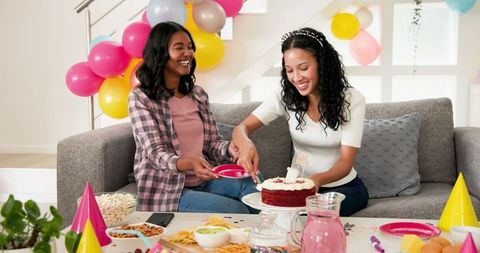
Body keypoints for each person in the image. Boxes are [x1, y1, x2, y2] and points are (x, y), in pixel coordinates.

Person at [232, 27, 369, 216]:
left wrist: (316, 180)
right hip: (297, 188)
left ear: (322, 63)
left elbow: (346, 162)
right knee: (274, 215)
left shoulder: (352, 99)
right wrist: (246, 146)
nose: (296, 78)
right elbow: (241, 128)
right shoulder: (285, 97)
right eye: (289, 70)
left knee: (312, 215)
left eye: (303, 68)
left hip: (343, 188)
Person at [128, 21, 257, 214]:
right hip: (170, 189)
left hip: (206, 178)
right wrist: (188, 163)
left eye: (190, 47)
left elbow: (213, 143)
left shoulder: (197, 94)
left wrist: (232, 149)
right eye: (179, 48)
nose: (188, 53)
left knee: (255, 186)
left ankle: (270, 242)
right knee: (235, 210)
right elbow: (155, 154)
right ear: (160, 53)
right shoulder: (141, 98)